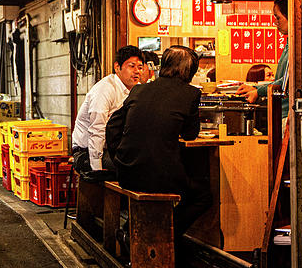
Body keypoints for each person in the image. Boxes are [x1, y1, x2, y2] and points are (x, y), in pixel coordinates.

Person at [105, 45, 209, 242]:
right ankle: (159, 237)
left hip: (127, 172)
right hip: (160, 176)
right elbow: (190, 134)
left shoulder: (139, 90)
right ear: (190, 71)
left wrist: (119, 157)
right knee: (202, 196)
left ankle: (132, 231)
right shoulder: (190, 94)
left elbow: (113, 126)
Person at [71, 46, 145, 174]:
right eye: (131, 66)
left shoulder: (138, 90)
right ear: (117, 67)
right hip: (87, 151)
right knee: (132, 170)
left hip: (115, 148)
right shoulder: (105, 89)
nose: (137, 71)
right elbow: (97, 130)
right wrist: (97, 169)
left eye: (140, 67)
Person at [236, 0, 289, 116]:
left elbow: (287, 81)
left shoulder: (297, 45)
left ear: (289, 16)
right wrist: (254, 88)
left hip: (287, 114)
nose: (275, 22)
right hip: (281, 112)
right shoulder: (289, 43)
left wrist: (258, 91)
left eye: (277, 17)